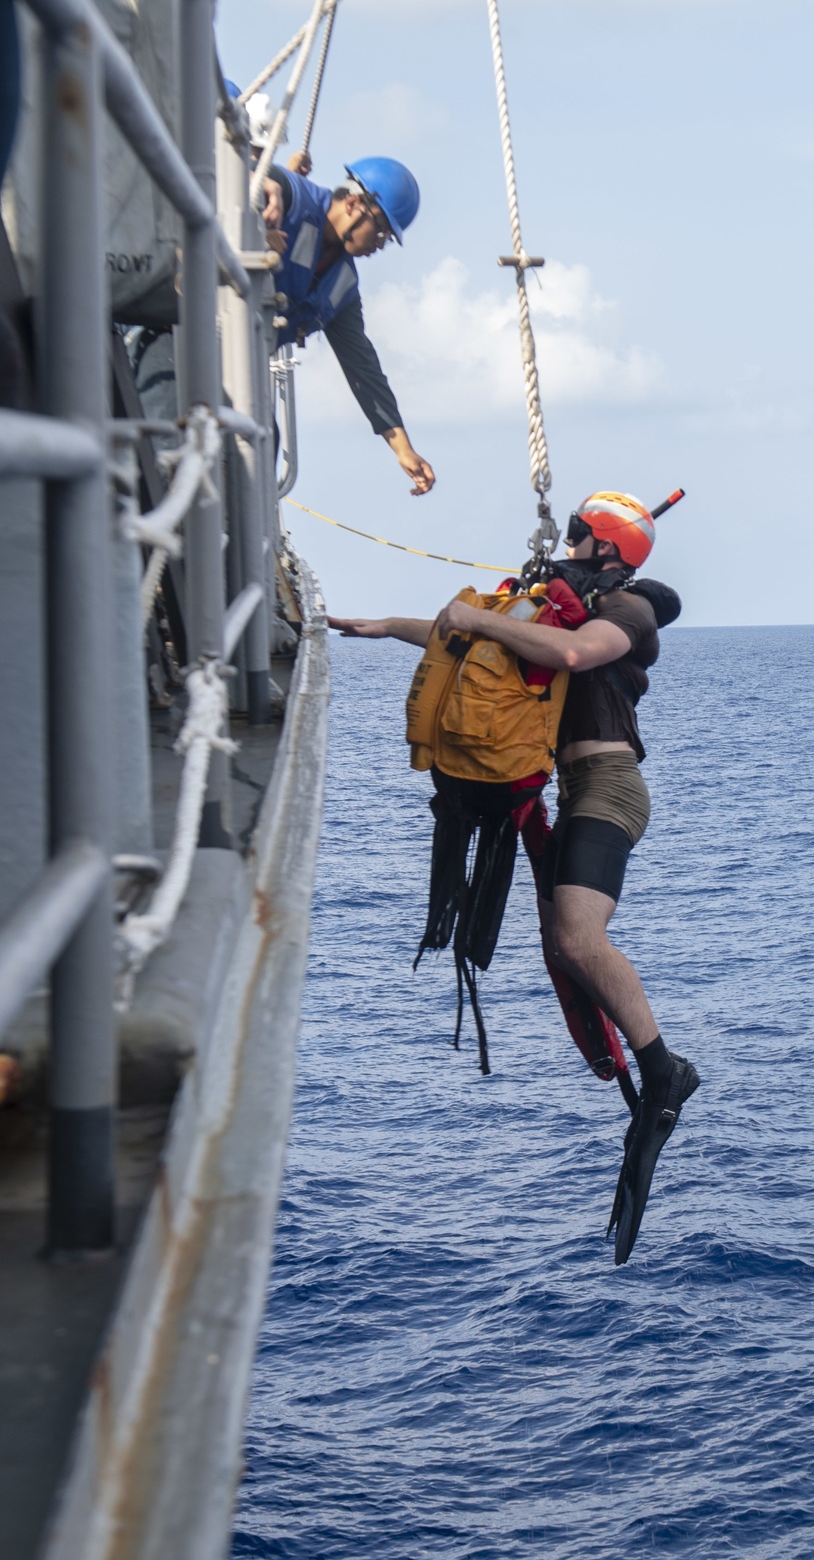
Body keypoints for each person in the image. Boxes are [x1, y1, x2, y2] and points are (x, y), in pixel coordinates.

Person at [329, 490, 699, 1263]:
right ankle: (649, 1072)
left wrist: (467, 618)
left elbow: (568, 656)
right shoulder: (557, 605)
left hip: (610, 787)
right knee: (562, 947)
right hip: (572, 790)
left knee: (575, 934)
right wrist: (379, 627)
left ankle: (665, 1071)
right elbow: (482, 644)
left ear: (604, 546)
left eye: (575, 532)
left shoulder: (627, 612)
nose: (563, 540)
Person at [261, 152, 435, 496]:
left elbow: (362, 367)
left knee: (262, 441)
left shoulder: (341, 286)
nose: (380, 244)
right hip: (188, 336)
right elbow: (248, 174)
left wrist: (402, 448)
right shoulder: (296, 198)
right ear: (354, 203)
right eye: (381, 230)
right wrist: (267, 186)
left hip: (241, 370)